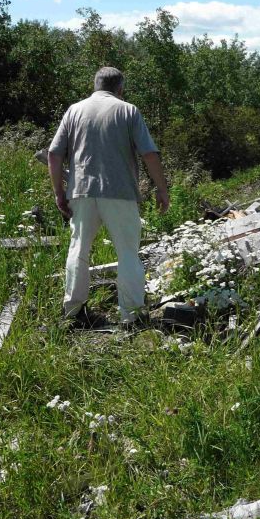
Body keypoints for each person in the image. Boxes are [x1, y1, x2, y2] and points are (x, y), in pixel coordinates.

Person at [47, 66, 169, 328]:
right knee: (127, 253)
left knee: (78, 249)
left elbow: (54, 154)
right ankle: (132, 315)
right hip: (120, 192)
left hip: (81, 190)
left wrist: (59, 192)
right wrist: (162, 189)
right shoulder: (128, 110)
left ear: (95, 85)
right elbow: (149, 153)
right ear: (120, 88)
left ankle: (73, 311)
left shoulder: (74, 110)